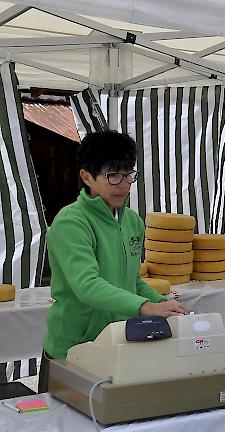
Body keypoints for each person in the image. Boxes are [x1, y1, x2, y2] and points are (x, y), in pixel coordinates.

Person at [38, 130, 189, 392]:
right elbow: (87, 285)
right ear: (87, 176)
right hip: (72, 352)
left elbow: (132, 282)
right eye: (113, 176)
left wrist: (162, 302)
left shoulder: (132, 222)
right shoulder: (71, 223)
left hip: (117, 344)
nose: (124, 184)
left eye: (129, 174)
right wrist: (144, 307)